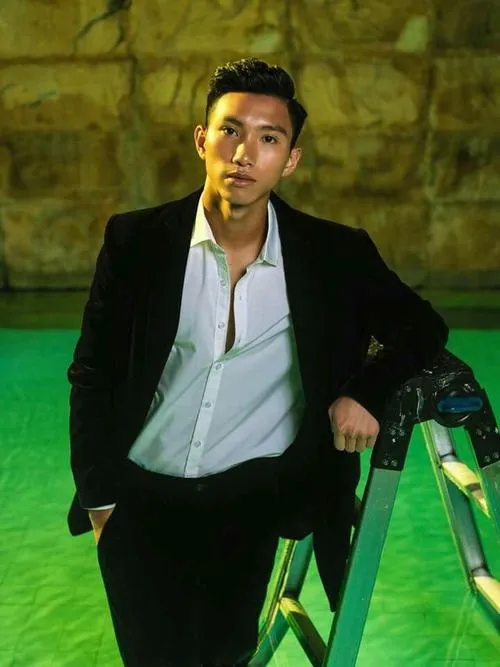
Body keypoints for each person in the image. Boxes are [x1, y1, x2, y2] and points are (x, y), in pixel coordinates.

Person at [67, 58, 449, 666]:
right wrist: (100, 500)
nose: (245, 153)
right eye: (231, 130)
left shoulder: (332, 254)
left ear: (290, 160)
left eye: (269, 139)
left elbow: (422, 326)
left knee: (227, 657)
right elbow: (93, 372)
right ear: (202, 140)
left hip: (249, 500)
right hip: (139, 497)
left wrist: (366, 392)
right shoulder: (137, 242)